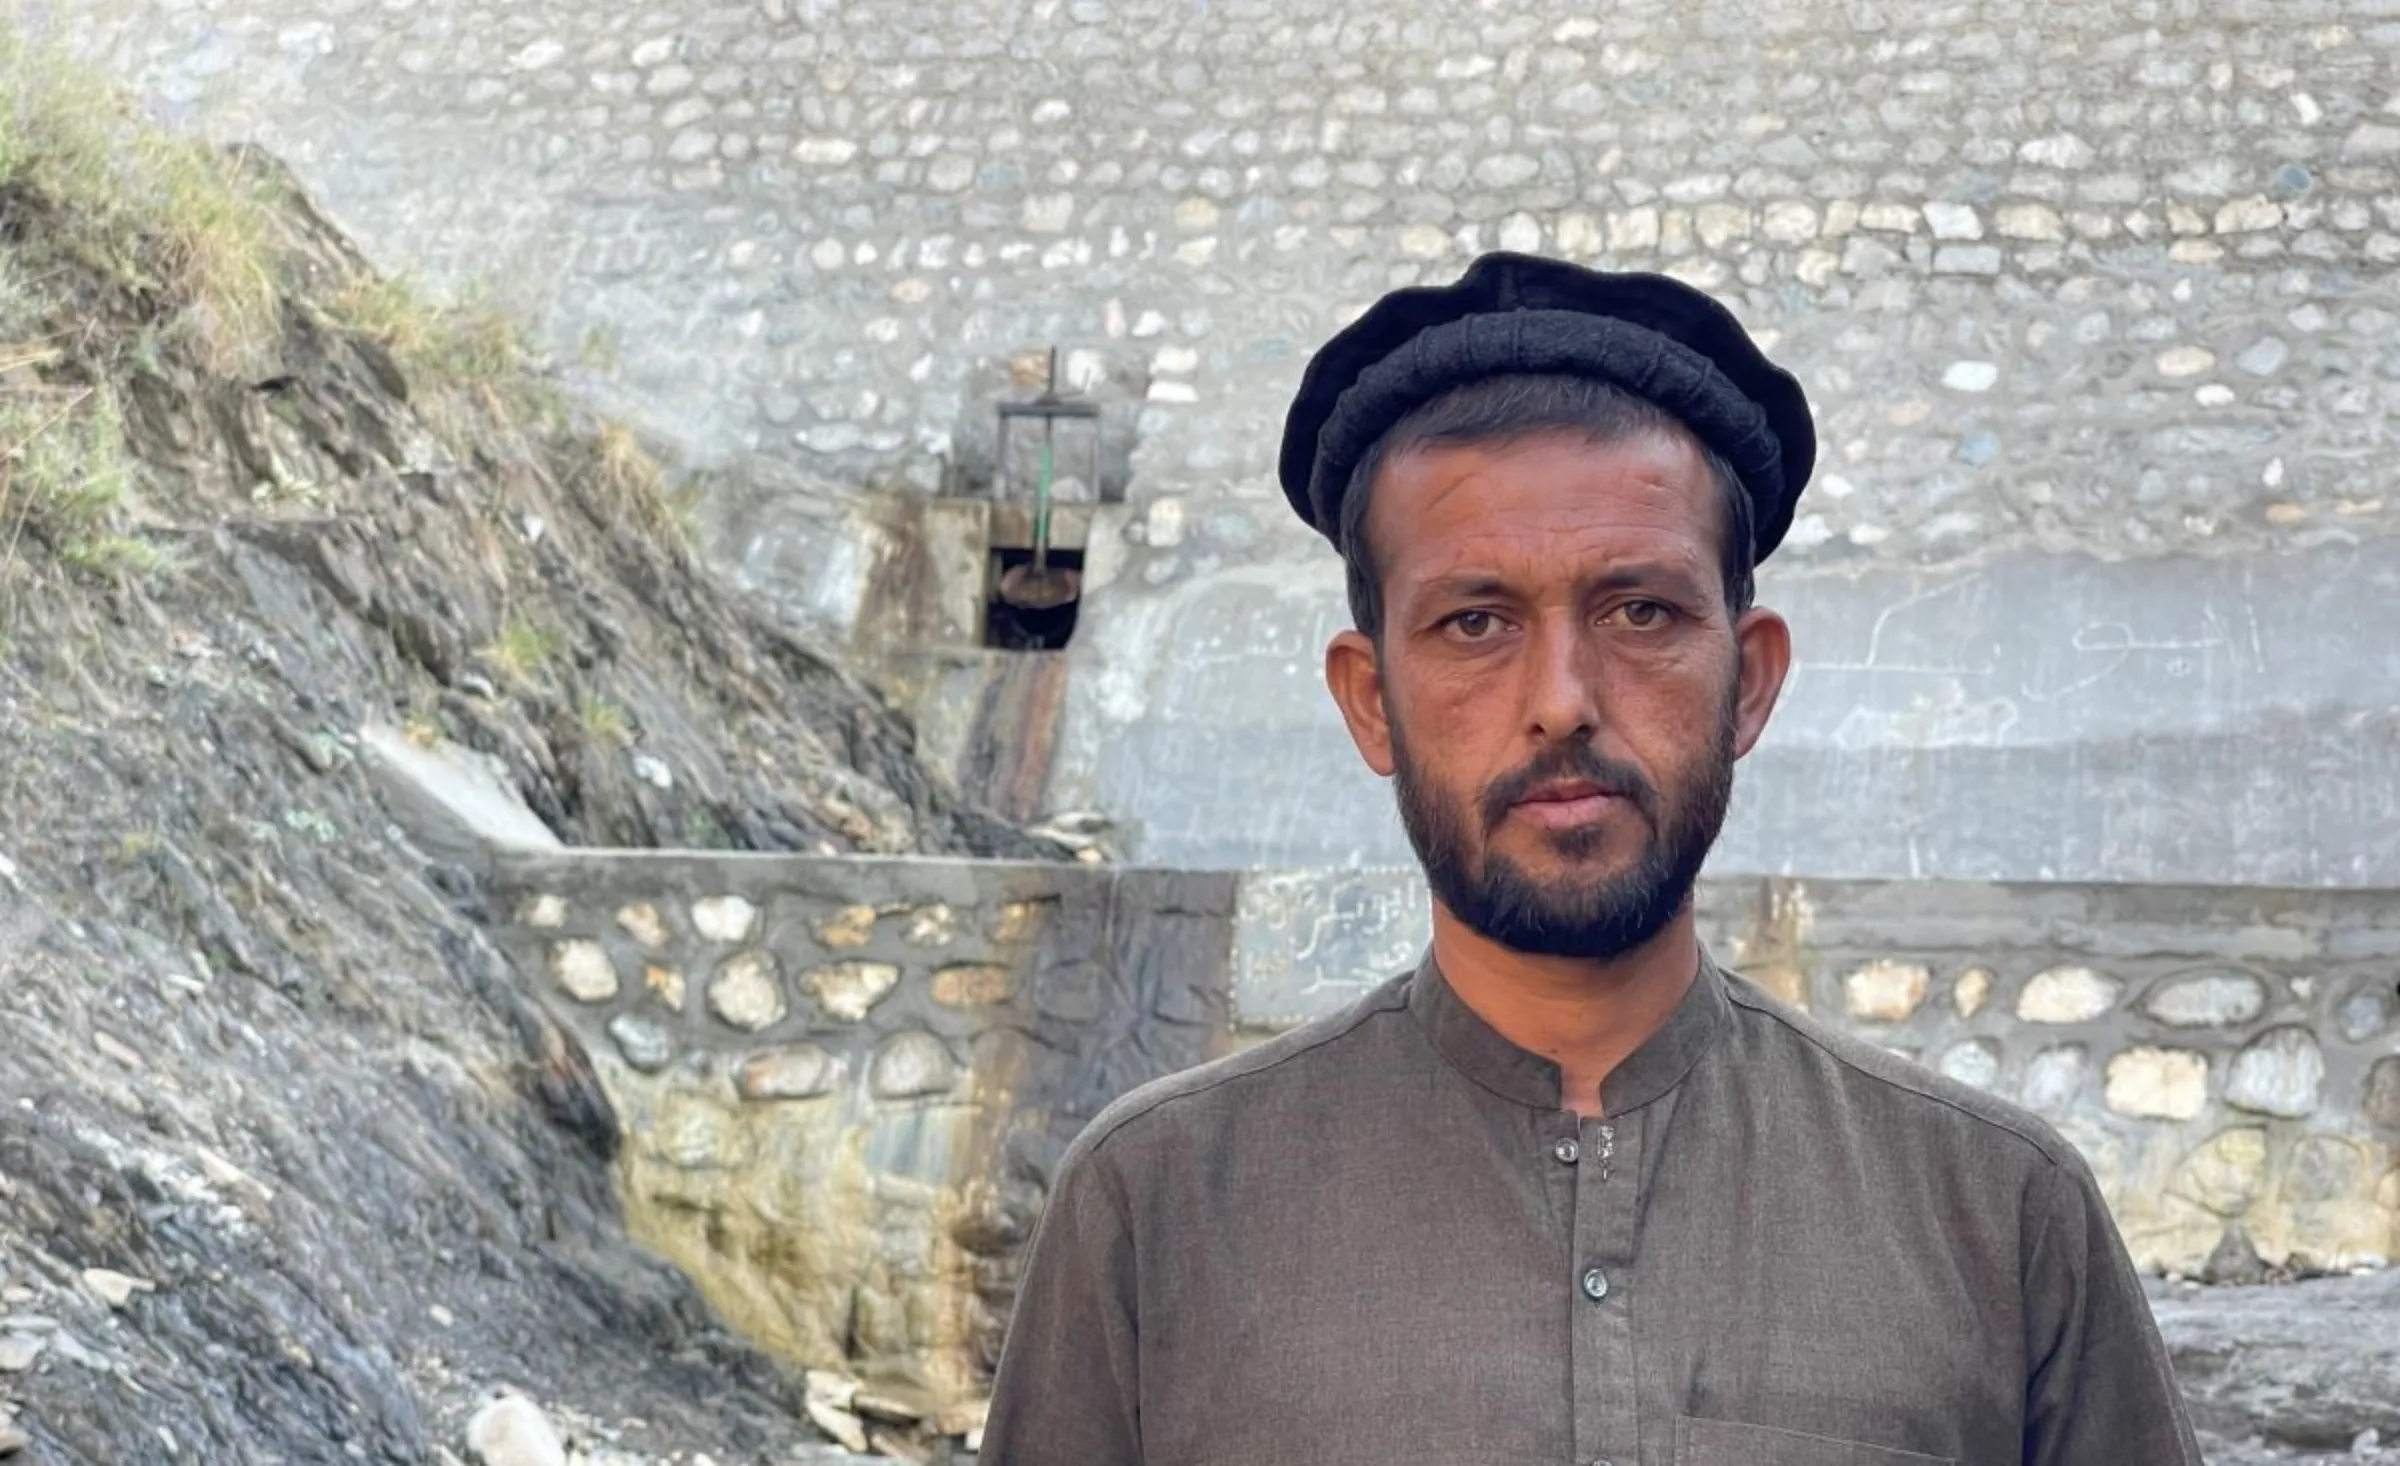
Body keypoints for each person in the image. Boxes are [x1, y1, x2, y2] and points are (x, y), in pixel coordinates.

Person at [980, 253, 2202, 1466]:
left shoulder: (1996, 1211)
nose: (1562, 700)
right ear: (1369, 699)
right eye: (1475, 622)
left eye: (1641, 612)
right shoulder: (1155, 1210)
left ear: (1751, 680)